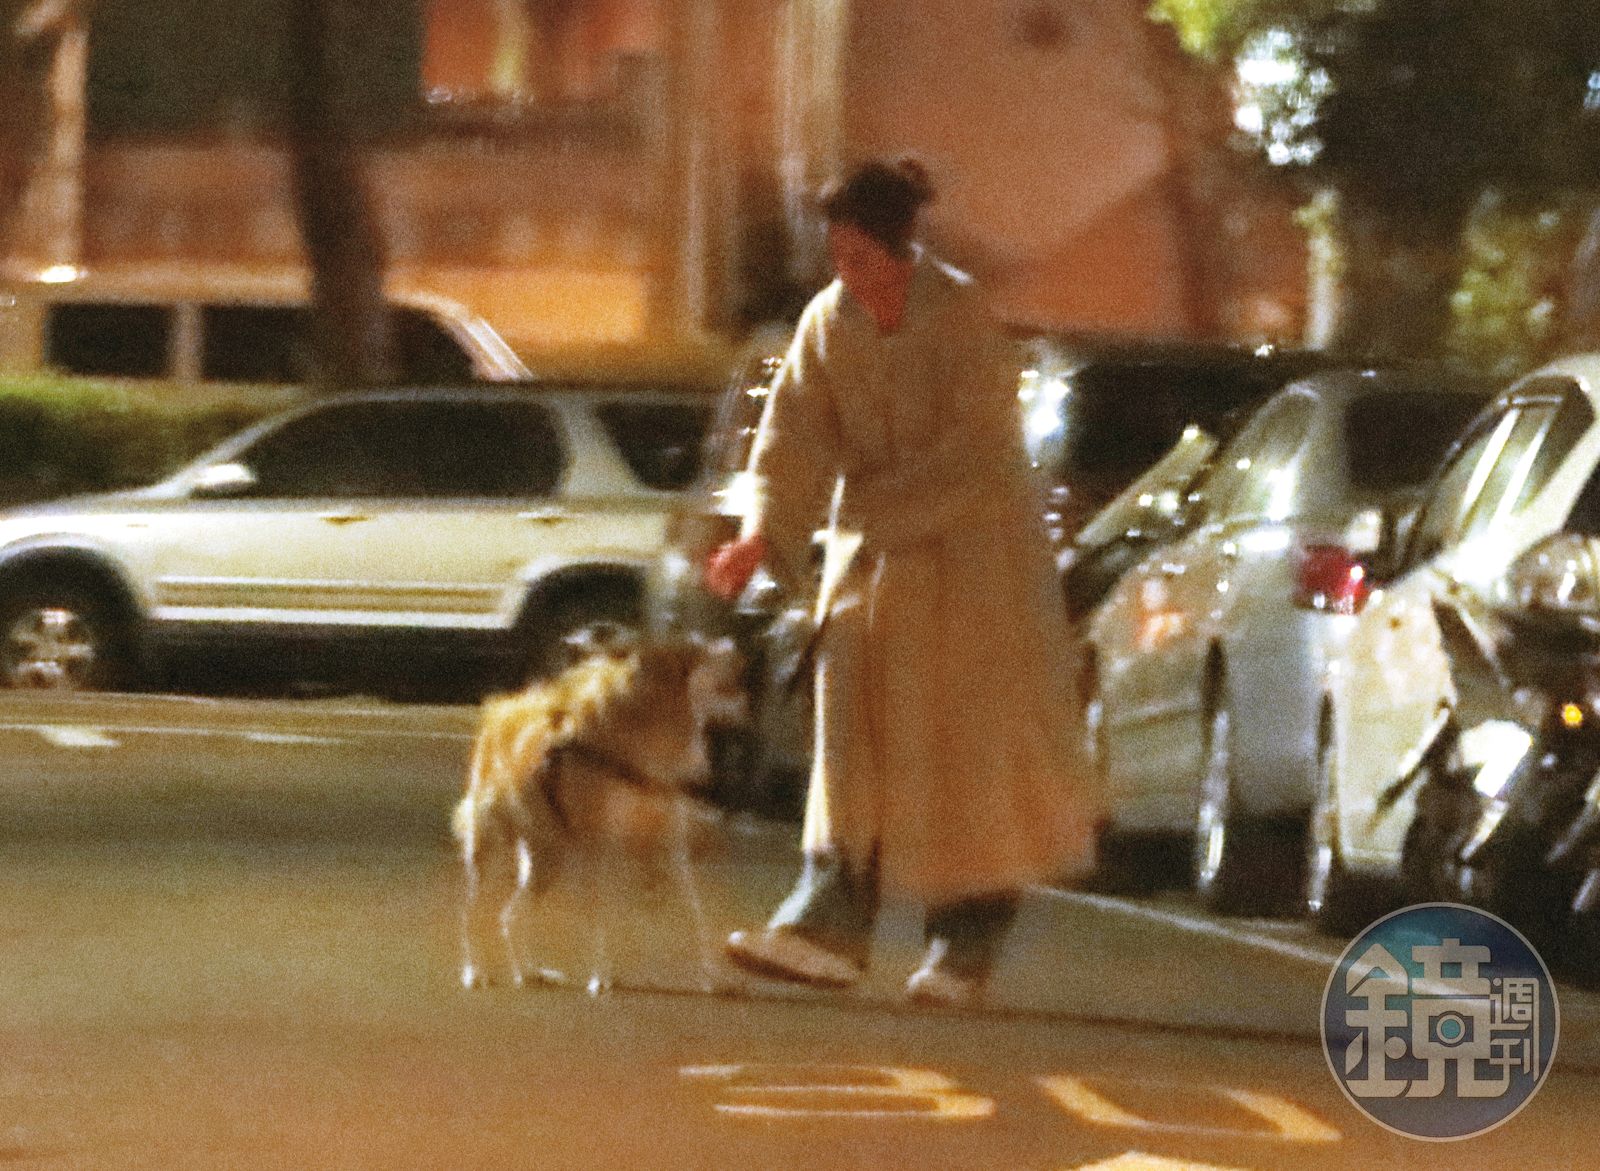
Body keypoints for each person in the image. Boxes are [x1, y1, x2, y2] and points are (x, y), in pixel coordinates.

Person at [705, 155, 1101, 1008]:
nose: (846, 272)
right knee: (852, 744)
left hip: (974, 572)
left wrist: (866, 509)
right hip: (874, 576)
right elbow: (792, 440)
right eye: (836, 256)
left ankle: (963, 949)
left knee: (969, 759)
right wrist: (759, 535)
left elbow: (978, 458)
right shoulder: (827, 324)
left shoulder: (960, 317)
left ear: (898, 250)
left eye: (859, 256)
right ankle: (829, 925)